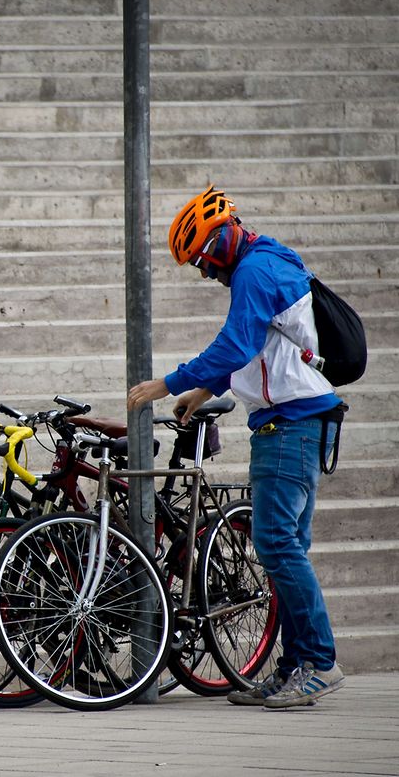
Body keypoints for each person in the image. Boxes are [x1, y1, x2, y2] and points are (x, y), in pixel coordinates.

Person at [127, 185, 346, 709]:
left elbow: (236, 343)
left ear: (223, 236)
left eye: (204, 259)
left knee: (275, 545)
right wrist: (207, 389)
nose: (206, 272)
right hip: (298, 421)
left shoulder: (254, 271)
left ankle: (319, 662)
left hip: (291, 425)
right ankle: (295, 666)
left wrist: (170, 383)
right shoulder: (267, 262)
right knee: (285, 547)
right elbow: (260, 348)